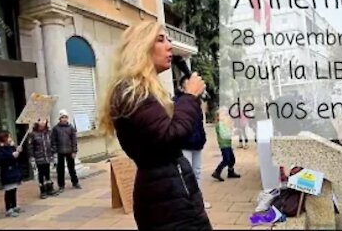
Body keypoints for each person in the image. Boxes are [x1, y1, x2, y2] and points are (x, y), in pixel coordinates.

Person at [98, 21, 212, 230]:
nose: (169, 45)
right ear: (140, 47)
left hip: (172, 194)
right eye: (161, 39)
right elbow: (170, 136)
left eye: (169, 39)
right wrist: (189, 97)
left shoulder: (145, 90)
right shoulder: (132, 91)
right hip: (166, 201)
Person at [174, 75, 211, 209]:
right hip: (185, 143)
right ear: (183, 85)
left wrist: (202, 138)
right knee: (186, 173)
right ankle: (186, 202)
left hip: (197, 143)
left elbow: (199, 124)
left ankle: (197, 200)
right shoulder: (177, 101)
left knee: (197, 172)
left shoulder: (197, 101)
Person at [0, 131, 23, 217]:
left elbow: (16, 158)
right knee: (9, 191)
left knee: (14, 190)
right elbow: (1, 161)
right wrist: (12, 156)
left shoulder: (10, 147)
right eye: (8, 137)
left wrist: (17, 150)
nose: (10, 139)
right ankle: (8, 209)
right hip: (7, 173)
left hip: (14, 172)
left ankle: (14, 206)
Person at [51, 110, 81, 192]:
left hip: (69, 151)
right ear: (59, 118)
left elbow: (74, 140)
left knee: (71, 168)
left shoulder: (71, 128)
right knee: (60, 169)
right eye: (62, 117)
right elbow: (53, 141)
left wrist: (74, 151)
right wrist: (54, 151)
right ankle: (61, 185)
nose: (64, 119)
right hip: (60, 151)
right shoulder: (55, 129)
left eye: (65, 117)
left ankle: (75, 182)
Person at [28, 119, 58, 199]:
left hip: (48, 156)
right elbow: (30, 148)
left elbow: (53, 144)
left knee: (48, 173)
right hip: (39, 158)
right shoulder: (32, 134)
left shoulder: (49, 132)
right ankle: (42, 191)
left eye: (44, 120)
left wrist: (54, 154)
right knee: (41, 174)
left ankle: (50, 189)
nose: (42, 122)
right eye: (40, 120)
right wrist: (32, 158)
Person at [212, 107, 241, 182]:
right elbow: (225, 134)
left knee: (232, 159)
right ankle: (217, 172)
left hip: (227, 144)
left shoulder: (224, 124)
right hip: (224, 145)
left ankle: (230, 172)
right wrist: (233, 132)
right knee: (226, 160)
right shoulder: (219, 125)